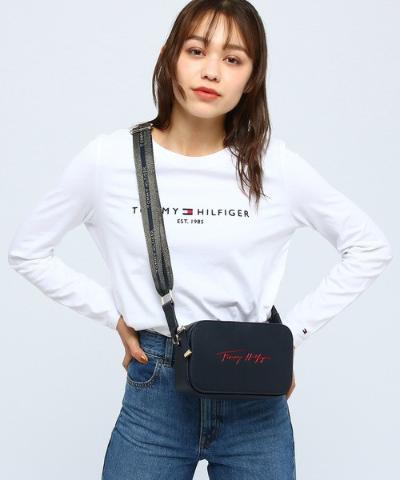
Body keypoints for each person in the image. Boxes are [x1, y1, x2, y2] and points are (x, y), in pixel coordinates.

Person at [7, 1, 393, 479]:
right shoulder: (109, 160)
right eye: (196, 51)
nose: (211, 71)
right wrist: (113, 315)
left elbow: (369, 247)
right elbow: (28, 251)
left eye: (233, 59)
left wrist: (288, 338)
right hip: (156, 394)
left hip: (254, 400)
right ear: (170, 56)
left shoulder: (274, 166)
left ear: (251, 78)